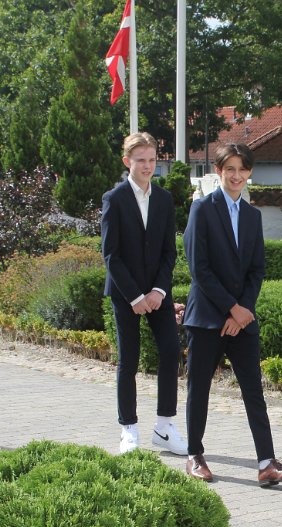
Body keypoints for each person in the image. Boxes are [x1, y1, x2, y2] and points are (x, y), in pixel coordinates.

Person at [182, 143, 282, 487]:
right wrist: (230, 308)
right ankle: (195, 456)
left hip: (242, 320)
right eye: (230, 169)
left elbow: (256, 270)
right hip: (207, 318)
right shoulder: (202, 209)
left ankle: (267, 463)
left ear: (249, 172)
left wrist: (243, 311)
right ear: (219, 171)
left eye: (242, 169)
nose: (236, 175)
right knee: (199, 389)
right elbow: (199, 268)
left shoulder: (252, 216)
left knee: (253, 391)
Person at [101, 131, 188, 456]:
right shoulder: (114, 199)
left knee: (170, 351)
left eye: (152, 160)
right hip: (126, 295)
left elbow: (168, 252)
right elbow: (111, 255)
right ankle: (129, 430)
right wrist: (135, 297)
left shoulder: (164, 199)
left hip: (157, 293)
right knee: (129, 360)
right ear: (128, 161)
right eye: (141, 160)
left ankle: (164, 428)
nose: (148, 166)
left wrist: (158, 291)